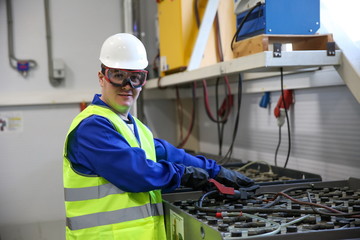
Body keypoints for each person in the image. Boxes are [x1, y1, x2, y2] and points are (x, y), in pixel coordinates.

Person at [63, 33, 255, 240]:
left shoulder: (134, 127)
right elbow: (137, 174)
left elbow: (169, 154)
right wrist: (186, 175)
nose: (127, 86)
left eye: (135, 78)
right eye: (118, 75)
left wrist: (216, 171)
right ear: (102, 78)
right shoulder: (92, 127)